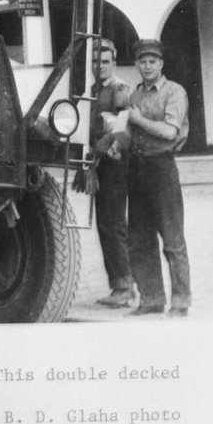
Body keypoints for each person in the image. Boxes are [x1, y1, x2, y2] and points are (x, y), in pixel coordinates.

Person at [124, 38, 191, 318]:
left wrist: (137, 121)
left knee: (172, 238)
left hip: (162, 169)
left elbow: (169, 132)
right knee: (139, 239)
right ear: (137, 64)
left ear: (161, 64)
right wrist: (115, 141)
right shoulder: (135, 95)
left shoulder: (174, 92)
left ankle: (180, 301)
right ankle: (151, 299)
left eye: (153, 61)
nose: (147, 65)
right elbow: (129, 132)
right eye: (142, 61)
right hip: (136, 168)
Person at [87, 40, 136, 308]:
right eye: (96, 61)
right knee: (105, 223)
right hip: (99, 163)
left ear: (114, 63)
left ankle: (124, 288)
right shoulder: (94, 90)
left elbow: (122, 126)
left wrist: (102, 148)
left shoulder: (119, 89)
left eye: (105, 61)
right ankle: (119, 285)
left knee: (113, 223)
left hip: (114, 162)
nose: (101, 66)